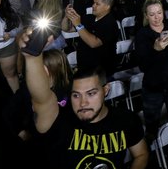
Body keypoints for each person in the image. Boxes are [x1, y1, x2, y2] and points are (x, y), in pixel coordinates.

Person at [19, 28, 149, 168]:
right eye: (76, 95)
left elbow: (141, 154)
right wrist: (32, 58)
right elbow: (42, 99)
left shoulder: (126, 120)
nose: (83, 102)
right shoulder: (58, 121)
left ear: (105, 90)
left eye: (91, 93)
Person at [133, 0, 168, 140]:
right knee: (152, 127)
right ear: (146, 16)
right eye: (152, 14)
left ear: (163, 12)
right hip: (153, 86)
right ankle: (154, 151)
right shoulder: (142, 35)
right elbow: (143, 66)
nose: (157, 17)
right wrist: (155, 49)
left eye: (159, 13)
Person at [64, 0, 119, 76]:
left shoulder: (110, 23)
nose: (93, 6)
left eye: (97, 4)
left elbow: (93, 43)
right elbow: (67, 28)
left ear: (107, 7)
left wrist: (78, 25)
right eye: (94, 3)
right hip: (84, 69)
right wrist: (67, 16)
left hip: (100, 72)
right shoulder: (89, 17)